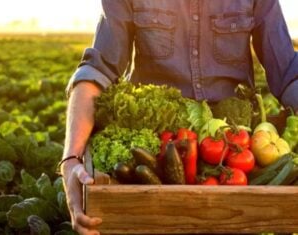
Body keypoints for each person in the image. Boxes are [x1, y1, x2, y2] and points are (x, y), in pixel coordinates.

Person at [60, 0, 298, 234]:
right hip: (154, 153)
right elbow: (97, 69)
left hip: (234, 148)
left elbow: (288, 72)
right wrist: (71, 159)